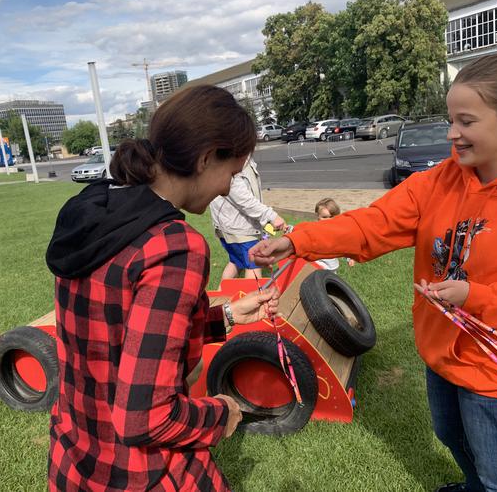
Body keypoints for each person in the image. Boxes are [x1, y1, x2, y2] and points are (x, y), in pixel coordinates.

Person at [249, 53, 497, 492]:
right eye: (451, 119)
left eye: (466, 121)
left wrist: (475, 297)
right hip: (441, 353)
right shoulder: (442, 180)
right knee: (452, 437)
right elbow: (373, 223)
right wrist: (298, 241)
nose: (452, 134)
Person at [45, 84, 280, 492]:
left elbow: (114, 329)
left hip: (76, 456)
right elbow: (145, 418)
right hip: (143, 473)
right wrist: (222, 413)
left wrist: (221, 317)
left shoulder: (95, 211)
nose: (227, 188)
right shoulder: (173, 246)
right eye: (232, 173)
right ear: (206, 158)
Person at [209, 155, 285, 280]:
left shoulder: (242, 156)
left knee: (236, 262)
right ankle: (253, 297)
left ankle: (221, 296)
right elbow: (244, 200)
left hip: (232, 225)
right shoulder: (230, 160)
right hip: (239, 228)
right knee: (254, 265)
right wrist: (271, 216)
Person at [313, 197, 355, 272]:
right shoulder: (314, 230)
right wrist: (289, 229)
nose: (328, 219)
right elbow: (301, 234)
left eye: (331, 217)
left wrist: (349, 258)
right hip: (317, 267)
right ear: (317, 216)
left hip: (332, 268)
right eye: (324, 217)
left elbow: (343, 247)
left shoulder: (336, 232)